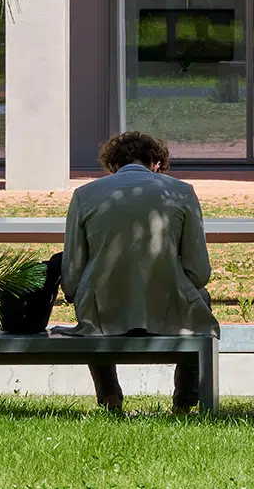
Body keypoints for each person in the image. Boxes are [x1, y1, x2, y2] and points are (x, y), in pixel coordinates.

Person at [61, 131, 218, 413]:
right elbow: (199, 272)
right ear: (156, 163)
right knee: (201, 302)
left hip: (104, 315)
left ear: (111, 165)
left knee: (88, 300)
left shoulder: (84, 195)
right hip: (168, 311)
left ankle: (109, 396)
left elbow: (72, 277)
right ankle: (184, 399)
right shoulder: (182, 192)